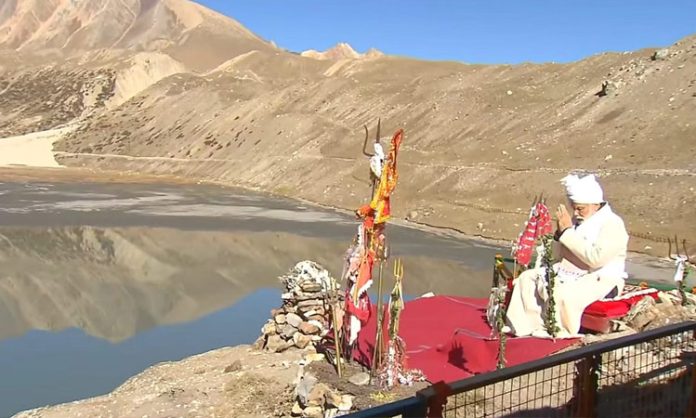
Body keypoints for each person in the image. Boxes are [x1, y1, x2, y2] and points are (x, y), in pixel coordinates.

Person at [506, 174, 629, 338]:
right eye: (575, 208)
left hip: (600, 277)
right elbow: (559, 254)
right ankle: (522, 326)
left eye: (580, 209)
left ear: (595, 204)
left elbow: (596, 259)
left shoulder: (613, 224)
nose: (576, 213)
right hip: (569, 270)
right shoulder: (578, 221)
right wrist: (559, 235)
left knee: (563, 294)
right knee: (527, 278)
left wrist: (567, 233)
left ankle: (559, 331)